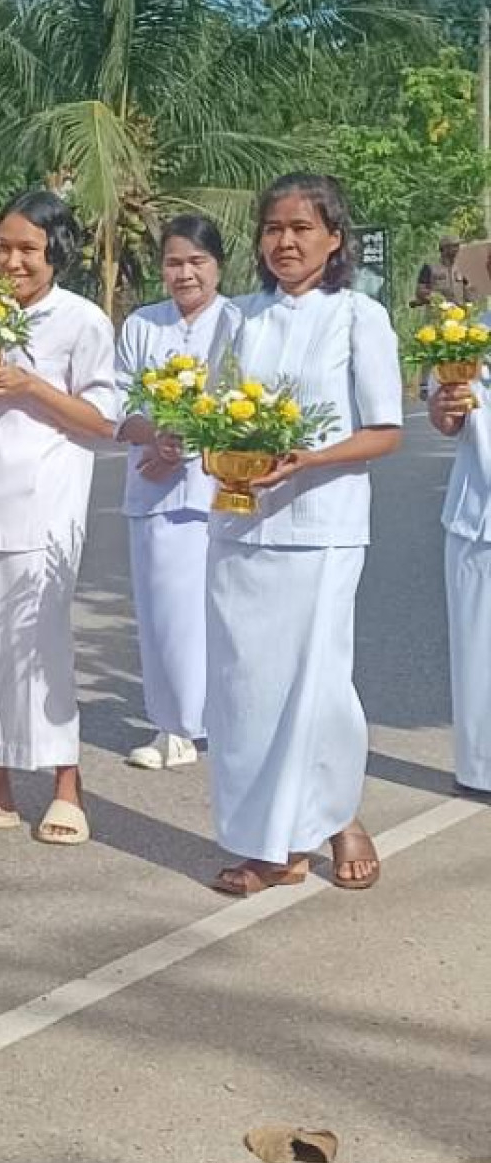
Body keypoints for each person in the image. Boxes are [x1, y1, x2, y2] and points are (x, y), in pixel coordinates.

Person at [207, 174, 403, 898]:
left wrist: (308, 461)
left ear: (334, 239)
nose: (284, 242)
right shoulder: (240, 319)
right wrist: (205, 447)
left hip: (322, 528)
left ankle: (335, 813)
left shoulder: (358, 317)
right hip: (239, 526)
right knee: (246, 691)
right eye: (272, 229)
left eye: (301, 228)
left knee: (317, 691)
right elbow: (213, 413)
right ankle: (268, 845)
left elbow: (383, 431)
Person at [0, 189, 119, 847]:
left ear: (56, 252)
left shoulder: (82, 321)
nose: (13, 261)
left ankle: (67, 790)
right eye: (4, 247)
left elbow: (103, 422)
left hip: (42, 508)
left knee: (40, 653)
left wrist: (30, 385)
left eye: (28, 249)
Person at [114, 213, 239, 769]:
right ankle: (174, 726)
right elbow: (117, 402)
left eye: (196, 261)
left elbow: (248, 400)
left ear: (218, 265)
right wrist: (155, 441)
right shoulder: (142, 325)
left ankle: (221, 718)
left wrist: (188, 443)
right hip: (155, 489)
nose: (185, 273)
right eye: (173, 262)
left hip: (219, 487)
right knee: (164, 610)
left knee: (219, 610)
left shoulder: (239, 323)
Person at [429, 348, 491, 795]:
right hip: (478, 514)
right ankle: (481, 768)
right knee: (477, 651)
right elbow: (446, 421)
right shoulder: (463, 339)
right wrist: (444, 408)